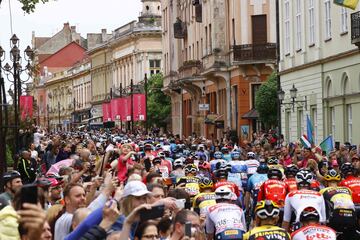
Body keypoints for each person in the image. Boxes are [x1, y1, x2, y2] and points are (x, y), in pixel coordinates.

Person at [320, 169, 358, 239]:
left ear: (326, 182)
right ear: (338, 181)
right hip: (352, 217)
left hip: (336, 218)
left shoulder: (323, 191)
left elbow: (322, 208)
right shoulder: (347, 189)